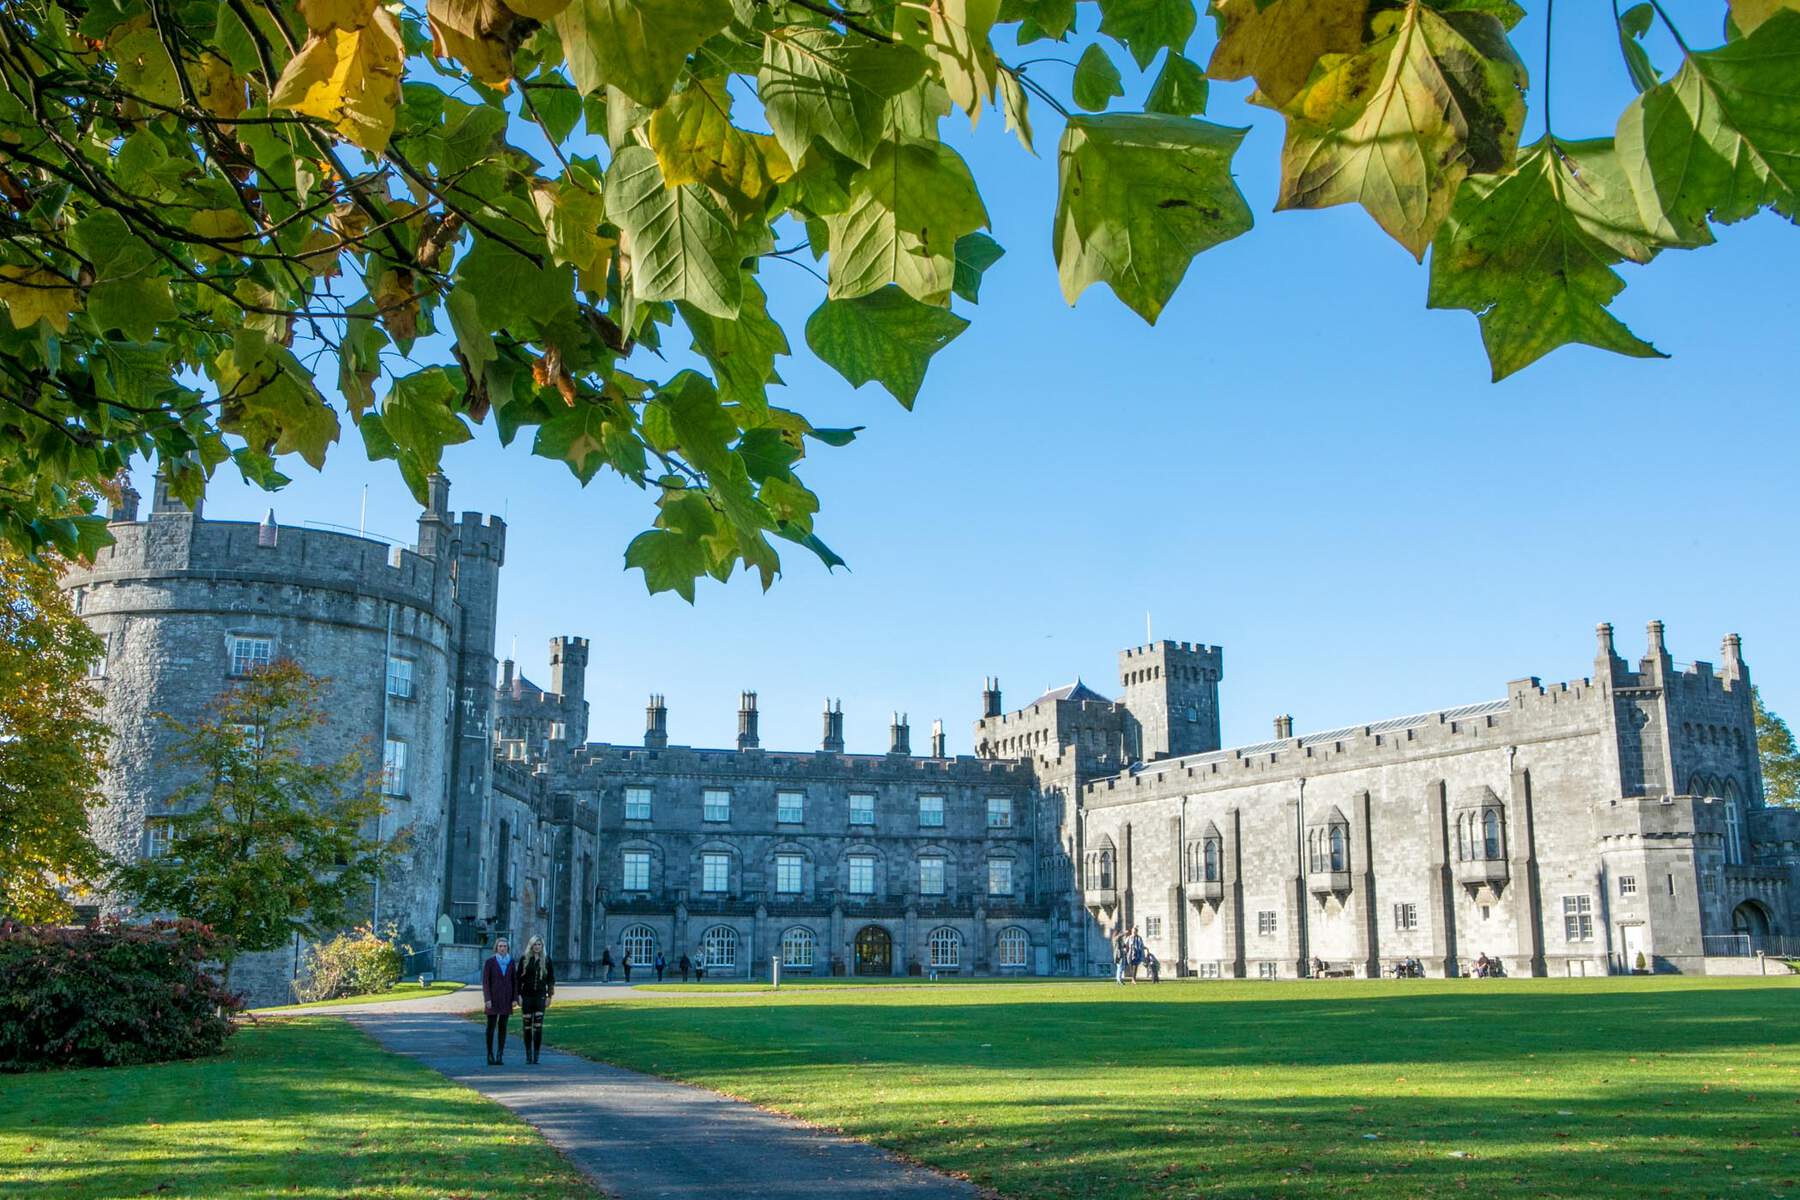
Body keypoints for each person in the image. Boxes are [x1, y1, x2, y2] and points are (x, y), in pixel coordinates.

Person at [517, 935, 556, 1065]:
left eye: (539, 944)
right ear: (531, 945)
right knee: (527, 1026)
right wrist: (518, 996)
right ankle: (528, 1054)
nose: (537, 947)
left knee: (538, 1026)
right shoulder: (524, 959)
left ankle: (536, 1055)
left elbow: (551, 979)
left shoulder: (547, 960)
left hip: (540, 996)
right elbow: (518, 979)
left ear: (542, 946)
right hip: (527, 996)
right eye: (535, 944)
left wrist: (550, 996)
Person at [481, 936, 518, 1066]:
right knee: (490, 1027)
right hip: (492, 999)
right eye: (500, 946)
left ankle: (499, 1054)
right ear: (496, 948)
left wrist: (515, 998)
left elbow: (515, 981)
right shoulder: (490, 962)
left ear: (508, 948)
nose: (502, 948)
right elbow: (485, 982)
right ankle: (490, 1054)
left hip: (506, 999)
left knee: (503, 1027)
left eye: (505, 946)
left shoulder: (511, 962)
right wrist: (487, 999)